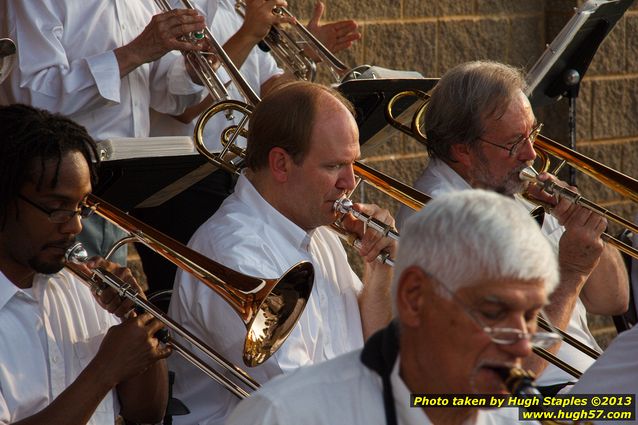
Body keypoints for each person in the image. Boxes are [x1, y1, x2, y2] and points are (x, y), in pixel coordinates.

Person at [167, 80, 395, 425]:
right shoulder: (232, 251)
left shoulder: (320, 234)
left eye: (354, 165)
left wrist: (379, 270)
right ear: (281, 164)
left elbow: (373, 349)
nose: (350, 182)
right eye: (334, 166)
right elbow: (301, 401)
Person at [225, 189, 558, 425]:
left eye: (530, 317)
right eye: (493, 313)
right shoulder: (284, 415)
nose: (522, 345)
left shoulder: (515, 419)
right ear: (415, 297)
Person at [395, 60, 629, 394]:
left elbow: (614, 302)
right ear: (462, 149)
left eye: (532, 133)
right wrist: (573, 271)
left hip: (588, 387)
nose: (531, 154)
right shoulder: (440, 218)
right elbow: (515, 371)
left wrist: (585, 227)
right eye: (514, 142)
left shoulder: (507, 183)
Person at [136, 0, 361, 293]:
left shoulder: (239, 8)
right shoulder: (172, 8)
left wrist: (308, 55)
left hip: (237, 170)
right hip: (183, 182)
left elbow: (270, 96)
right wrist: (248, 33)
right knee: (185, 291)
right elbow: (182, 107)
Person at [0, 1, 212, 265]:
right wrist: (135, 52)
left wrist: (191, 71)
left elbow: (164, 97)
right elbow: (33, 95)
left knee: (98, 302)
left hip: (122, 187)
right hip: (56, 188)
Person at [0, 104, 171, 424]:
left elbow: (147, 412)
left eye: (82, 207)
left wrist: (135, 317)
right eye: (57, 208)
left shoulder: (84, 287)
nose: (76, 227)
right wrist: (104, 371)